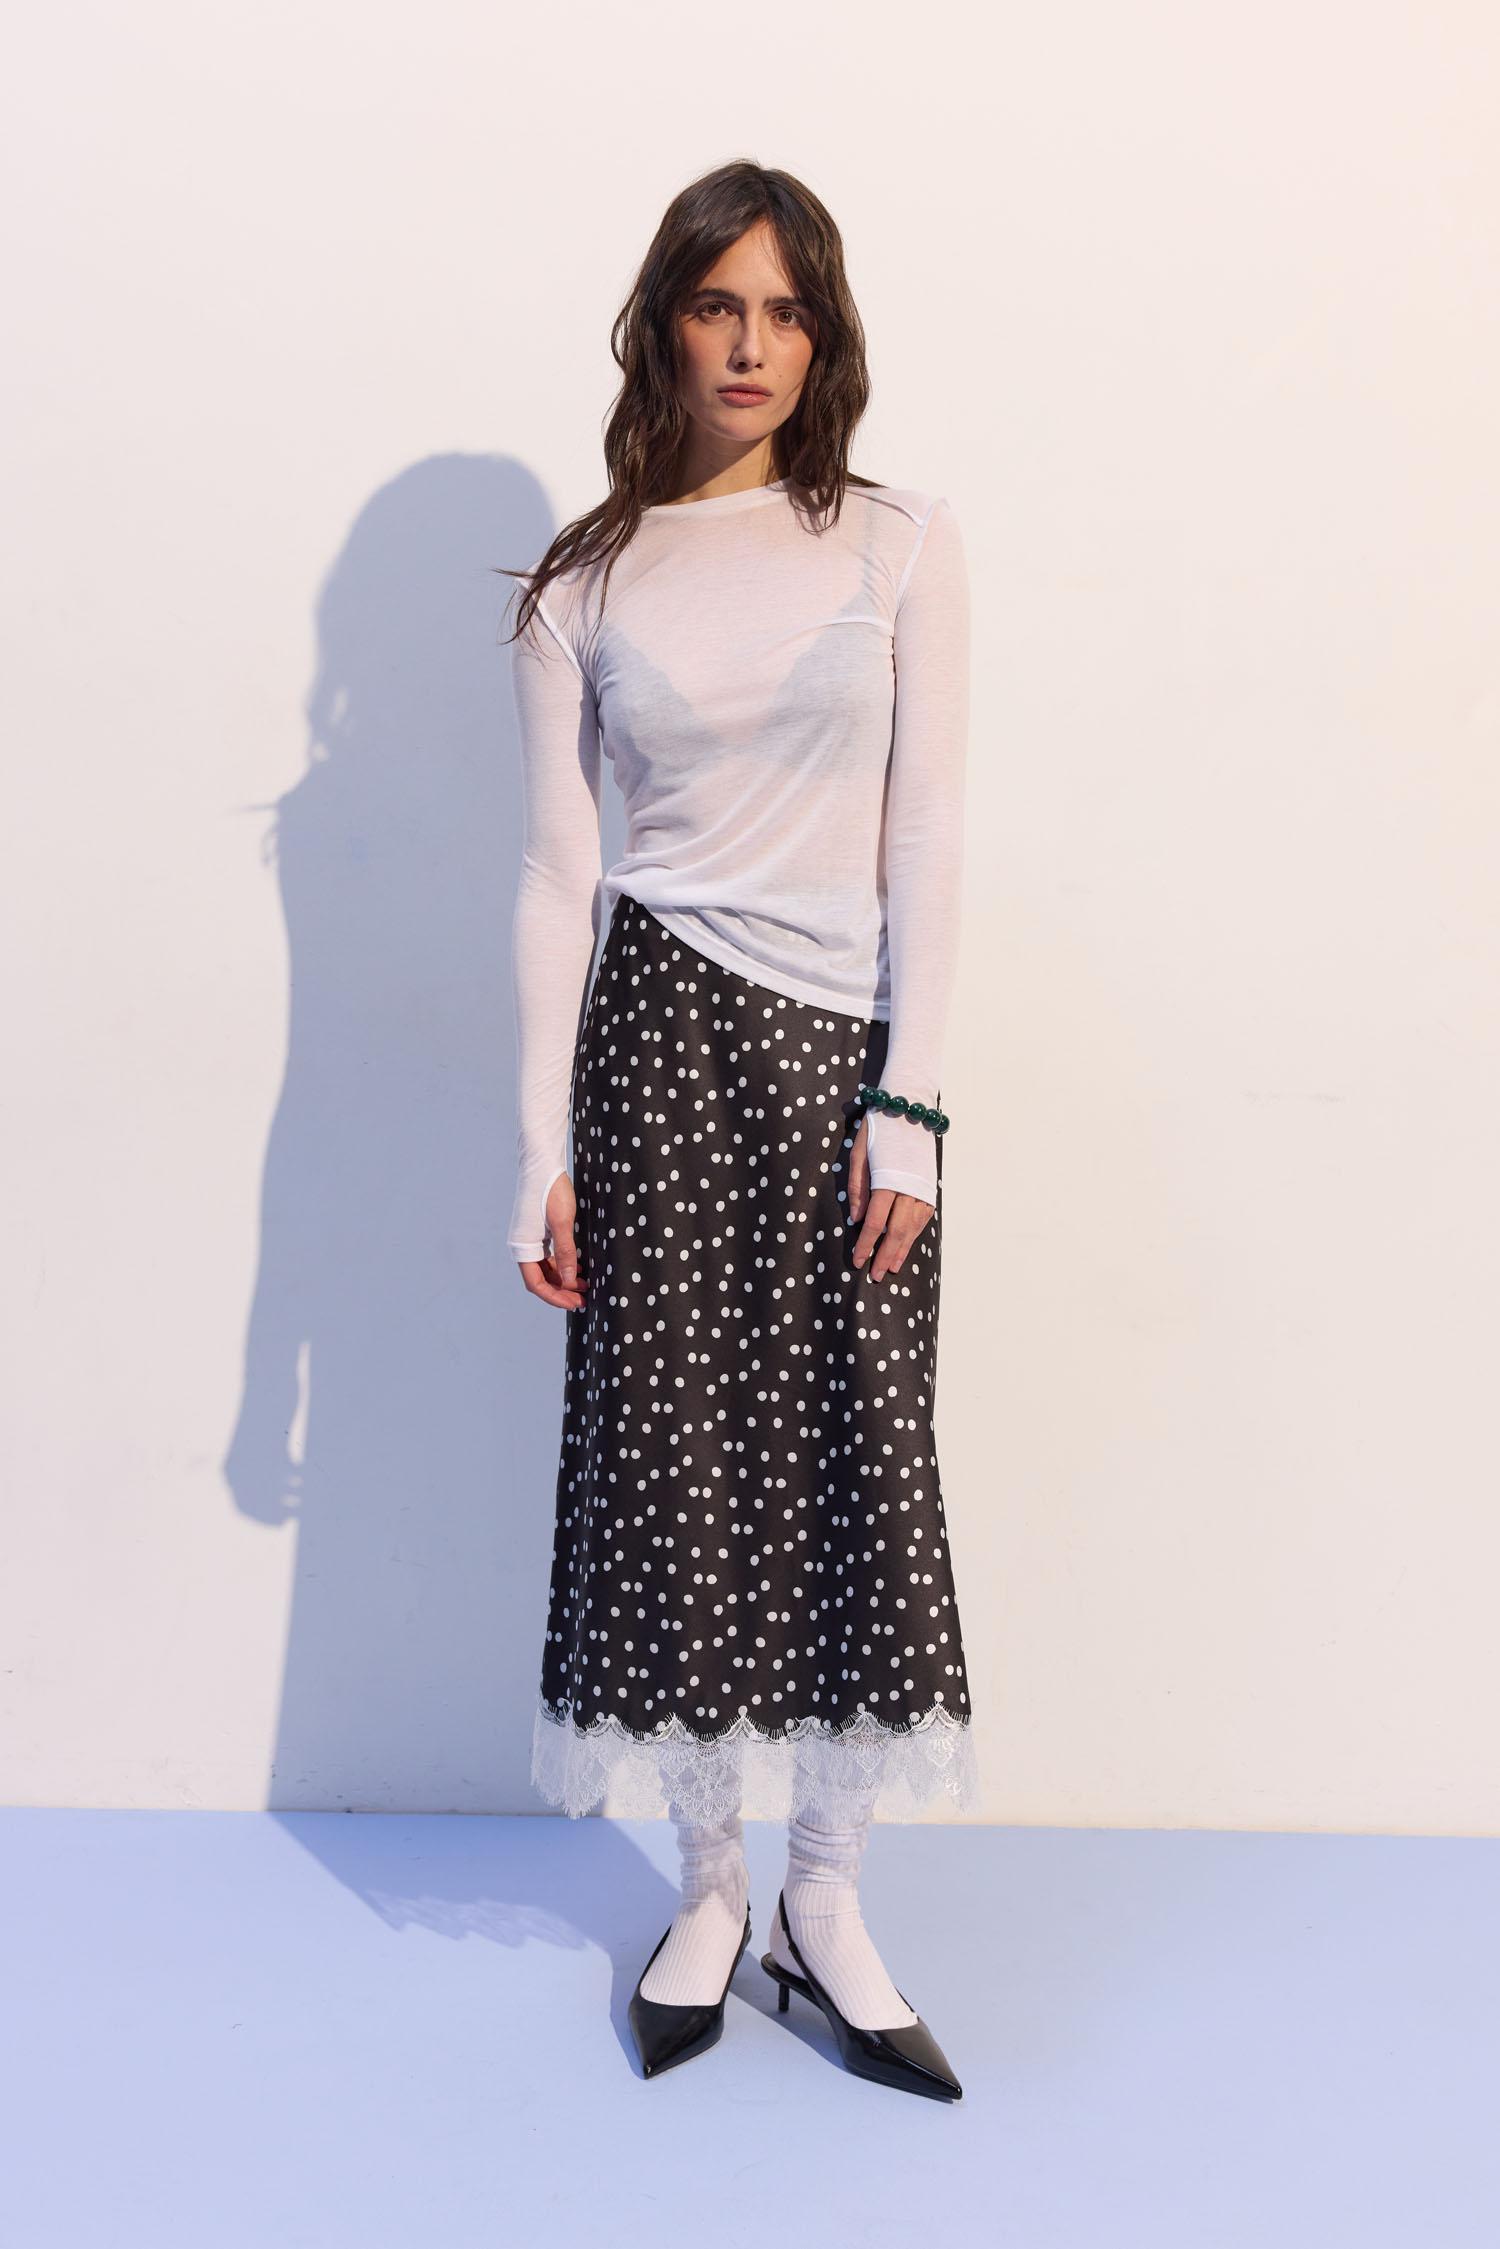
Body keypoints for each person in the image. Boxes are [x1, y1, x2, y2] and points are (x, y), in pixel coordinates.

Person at [505, 159, 976, 2100]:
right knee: (675, 1465)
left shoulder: (898, 542)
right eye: (718, 305)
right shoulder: (587, 580)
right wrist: (535, 1145)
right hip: (655, 1052)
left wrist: (911, 1103)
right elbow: (559, 877)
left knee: (862, 1453)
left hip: (841, 1059)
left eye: (786, 308)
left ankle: (826, 1898)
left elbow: (928, 831)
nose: (752, 343)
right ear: (665, 325)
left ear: (824, 331)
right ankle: (711, 1888)